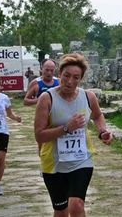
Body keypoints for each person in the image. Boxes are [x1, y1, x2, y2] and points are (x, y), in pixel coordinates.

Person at [34, 53, 113, 216]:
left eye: (76, 77)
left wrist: (102, 131)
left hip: (81, 159)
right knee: (61, 211)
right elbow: (39, 135)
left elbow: (97, 115)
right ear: (59, 74)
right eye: (66, 76)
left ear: (81, 79)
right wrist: (66, 128)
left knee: (76, 206)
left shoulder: (88, 96)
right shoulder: (47, 98)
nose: (70, 81)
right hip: (54, 163)